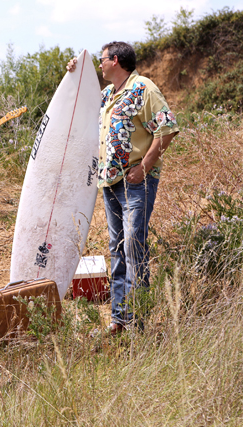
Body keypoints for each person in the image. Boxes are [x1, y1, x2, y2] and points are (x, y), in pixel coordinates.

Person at [67, 42, 179, 334]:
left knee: (133, 247)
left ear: (115, 60)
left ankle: (137, 323)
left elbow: (166, 129)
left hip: (136, 183)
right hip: (109, 182)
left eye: (102, 60)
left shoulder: (144, 88)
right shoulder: (106, 95)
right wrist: (73, 73)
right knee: (117, 249)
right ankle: (119, 319)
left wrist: (144, 167)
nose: (100, 65)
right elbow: (78, 104)